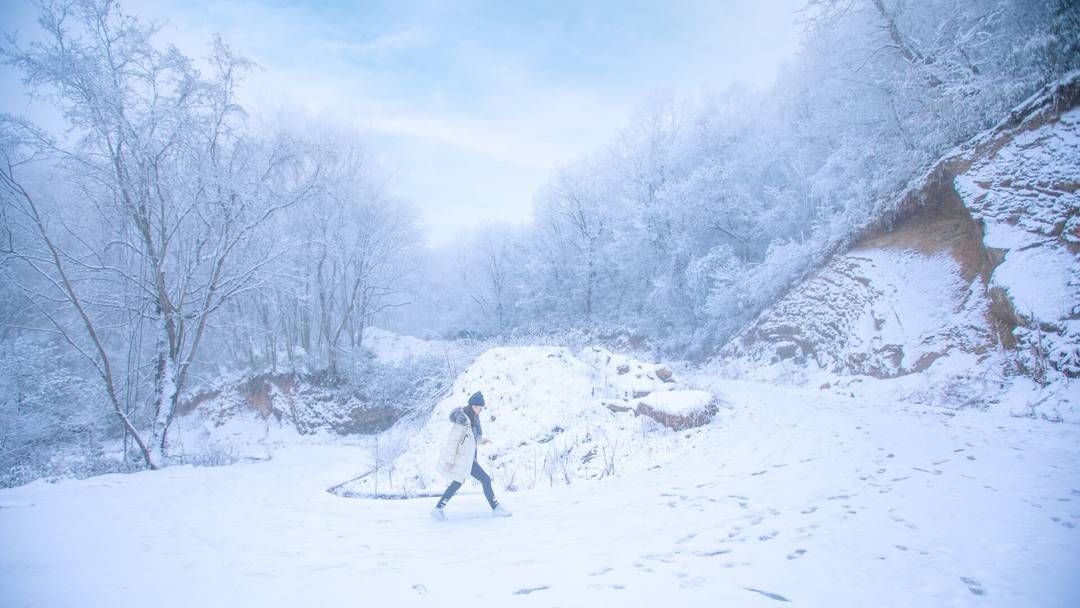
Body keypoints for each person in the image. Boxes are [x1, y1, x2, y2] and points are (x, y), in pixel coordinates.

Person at [431, 390, 512, 520]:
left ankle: (438, 508)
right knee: (485, 479)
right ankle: (496, 508)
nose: (481, 410)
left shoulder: (472, 420)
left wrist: (481, 441)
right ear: (474, 406)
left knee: (456, 483)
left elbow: (470, 439)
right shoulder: (462, 421)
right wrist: (449, 460)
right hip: (462, 460)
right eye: (480, 407)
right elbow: (453, 441)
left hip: (468, 459)